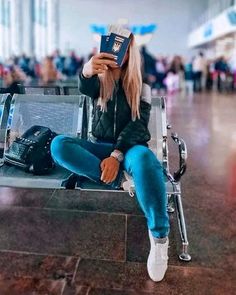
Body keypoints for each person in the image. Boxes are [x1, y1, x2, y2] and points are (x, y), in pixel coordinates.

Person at [51, 28, 170, 282]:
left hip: (129, 148)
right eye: (114, 46)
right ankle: (122, 181)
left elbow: (138, 125)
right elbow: (84, 86)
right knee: (59, 145)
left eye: (124, 47)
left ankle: (160, 239)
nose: (119, 52)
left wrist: (116, 156)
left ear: (130, 50)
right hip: (99, 147)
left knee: (146, 160)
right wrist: (86, 70)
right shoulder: (98, 79)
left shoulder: (141, 84)